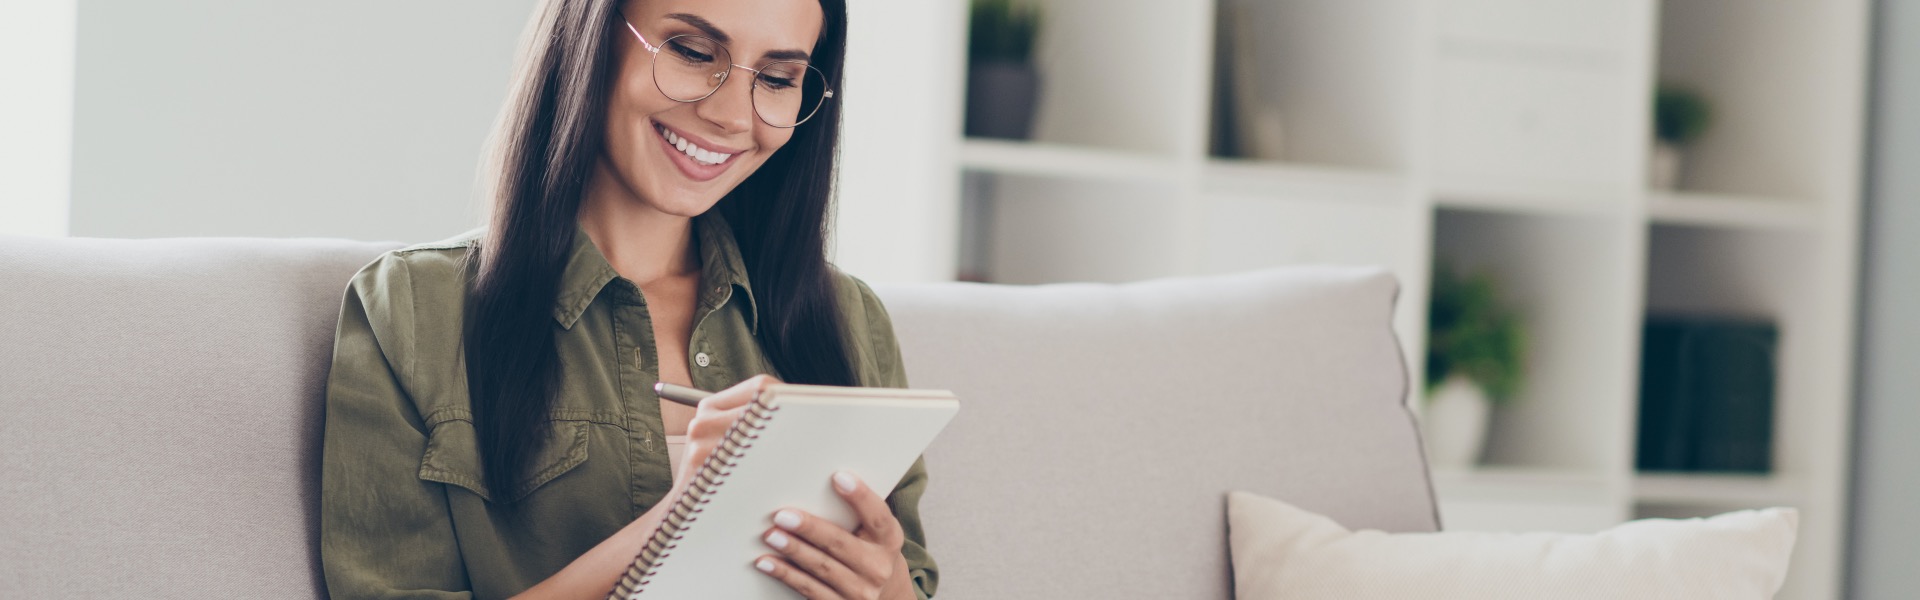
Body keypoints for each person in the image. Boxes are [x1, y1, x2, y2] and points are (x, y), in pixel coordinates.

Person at [318, 0, 936, 598]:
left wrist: (886, 592)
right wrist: (685, 520)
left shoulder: (847, 319)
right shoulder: (412, 311)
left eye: (777, 78)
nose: (730, 115)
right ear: (593, 34)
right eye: (693, 51)